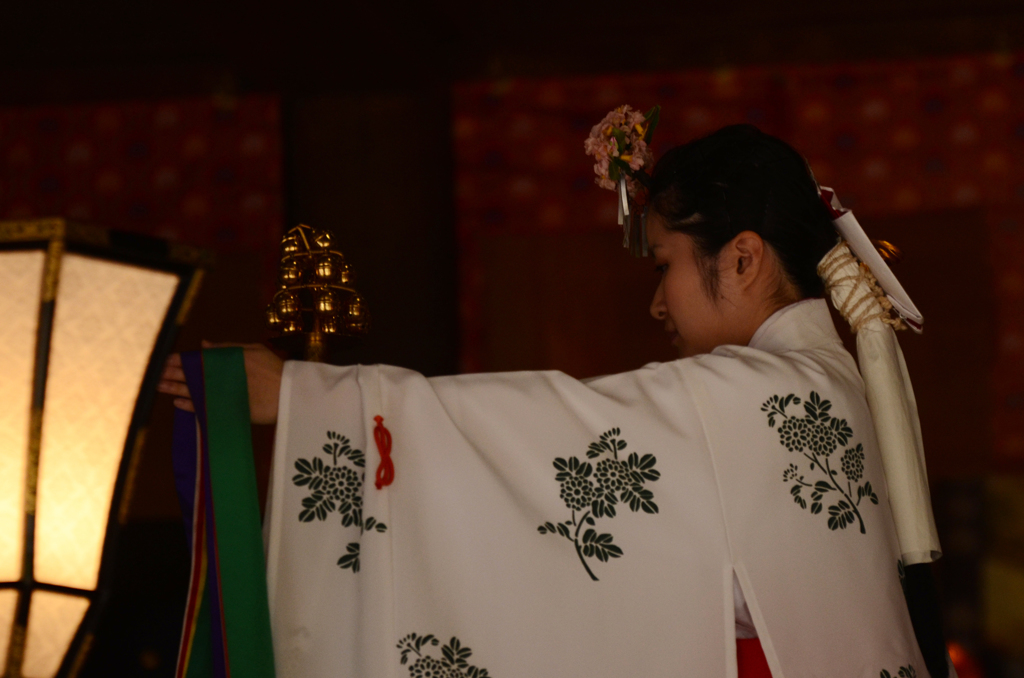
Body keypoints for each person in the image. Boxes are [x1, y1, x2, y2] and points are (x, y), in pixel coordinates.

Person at [160, 124, 948, 678]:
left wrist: (312, 398)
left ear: (741, 259)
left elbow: (542, 430)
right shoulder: (832, 379)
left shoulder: (759, 395)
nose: (659, 304)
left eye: (663, 264)